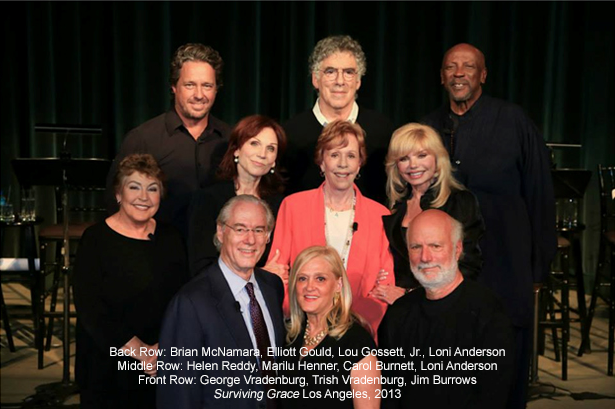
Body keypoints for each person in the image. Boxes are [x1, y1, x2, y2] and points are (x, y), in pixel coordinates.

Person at [421, 43, 557, 408]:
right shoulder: (428, 128)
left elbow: (540, 195)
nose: (459, 73)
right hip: (446, 277)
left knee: (503, 375)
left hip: (506, 269)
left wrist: (539, 264)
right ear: (441, 76)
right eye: (451, 67)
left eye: (468, 67)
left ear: (483, 75)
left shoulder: (514, 122)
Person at [73, 154, 189, 409]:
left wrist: (165, 347)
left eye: (153, 189)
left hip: (162, 359)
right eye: (134, 187)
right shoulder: (95, 239)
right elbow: (90, 308)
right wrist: (140, 351)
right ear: (118, 194)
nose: (144, 197)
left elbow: (184, 298)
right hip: (109, 360)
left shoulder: (171, 237)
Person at [157, 195, 285, 409]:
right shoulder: (190, 303)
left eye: (259, 230)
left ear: (268, 236)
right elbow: (177, 393)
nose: (250, 240)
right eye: (240, 229)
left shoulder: (273, 287)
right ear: (220, 231)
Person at [266, 120, 394, 335]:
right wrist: (303, 315)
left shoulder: (379, 214)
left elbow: (384, 285)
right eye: (334, 155)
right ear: (322, 162)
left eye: (351, 156)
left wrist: (352, 324)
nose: (343, 164)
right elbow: (278, 273)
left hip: (358, 329)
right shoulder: (293, 206)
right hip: (300, 327)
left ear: (360, 163)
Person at [378, 210, 514, 409]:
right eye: (416, 247)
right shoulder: (399, 313)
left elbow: (493, 396)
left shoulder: (488, 312)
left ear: (457, 249)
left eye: (435, 246)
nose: (425, 257)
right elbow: (389, 391)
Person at [105, 43, 232, 237]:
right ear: (174, 87)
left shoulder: (230, 139)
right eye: (190, 85)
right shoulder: (143, 138)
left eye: (207, 86)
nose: (199, 95)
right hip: (155, 252)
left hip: (215, 255)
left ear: (216, 89)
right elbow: (114, 201)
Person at [371, 123, 485, 305]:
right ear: (396, 166)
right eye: (404, 159)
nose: (413, 165)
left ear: (437, 160)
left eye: (422, 156)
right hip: (397, 310)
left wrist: (409, 295)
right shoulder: (394, 206)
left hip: (445, 307)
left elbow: (469, 266)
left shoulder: (460, 202)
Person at [283, 34, 394, 204]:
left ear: (358, 81)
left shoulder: (382, 130)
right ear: (315, 79)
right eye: (330, 72)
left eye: (348, 72)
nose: (340, 81)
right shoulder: (290, 134)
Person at [279, 246, 380, 409]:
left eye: (320, 279)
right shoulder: (289, 335)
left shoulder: (356, 343)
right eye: (302, 278)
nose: (309, 287)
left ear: (338, 285)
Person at [188, 114, 287, 276]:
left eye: (271, 148)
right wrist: (260, 275)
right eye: (254, 144)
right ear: (236, 150)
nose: (262, 154)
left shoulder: (280, 205)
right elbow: (200, 265)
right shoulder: (208, 199)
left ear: (274, 160)